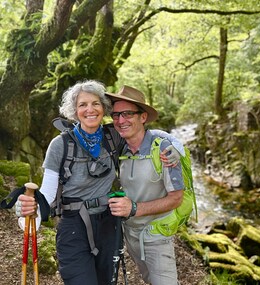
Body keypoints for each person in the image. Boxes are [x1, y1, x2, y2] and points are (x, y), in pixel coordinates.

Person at [16, 80, 182, 285]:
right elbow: (47, 193)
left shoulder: (112, 136)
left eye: (95, 103)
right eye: (82, 105)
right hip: (73, 226)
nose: (90, 109)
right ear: (74, 111)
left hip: (108, 224)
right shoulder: (60, 145)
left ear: (104, 108)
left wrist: (174, 146)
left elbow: (145, 134)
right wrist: (33, 209)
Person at [107, 86, 184, 285]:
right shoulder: (118, 147)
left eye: (127, 114)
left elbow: (176, 198)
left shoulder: (164, 150)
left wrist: (134, 208)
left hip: (157, 236)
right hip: (130, 235)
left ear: (143, 117)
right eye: (116, 115)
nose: (120, 120)